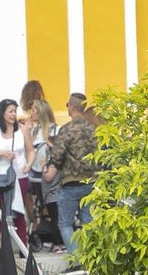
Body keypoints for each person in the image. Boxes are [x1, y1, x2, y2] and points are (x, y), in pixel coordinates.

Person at [42, 92, 98, 254]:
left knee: (65, 223)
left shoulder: (67, 129)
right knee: (88, 221)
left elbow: (57, 156)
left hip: (71, 182)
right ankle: (89, 257)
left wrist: (48, 169)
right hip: (91, 182)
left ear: (72, 107)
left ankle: (76, 258)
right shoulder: (94, 128)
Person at [0, 99, 34, 242]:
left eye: (15, 111)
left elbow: (30, 150)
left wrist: (29, 164)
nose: (13, 115)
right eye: (10, 111)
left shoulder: (22, 130)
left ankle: (22, 244)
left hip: (19, 174)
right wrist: (2, 154)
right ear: (2, 113)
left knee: (19, 210)